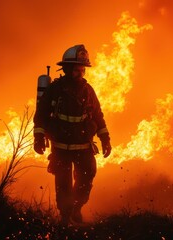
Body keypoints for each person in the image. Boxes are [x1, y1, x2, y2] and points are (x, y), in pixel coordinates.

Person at [33, 44, 111, 225]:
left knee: (87, 177)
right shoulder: (55, 90)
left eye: (83, 70)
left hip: (84, 146)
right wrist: (38, 137)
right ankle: (65, 216)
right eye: (77, 70)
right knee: (63, 184)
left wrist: (105, 139)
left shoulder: (88, 90)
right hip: (60, 147)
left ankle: (77, 207)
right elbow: (41, 115)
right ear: (67, 69)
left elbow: (98, 116)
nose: (81, 73)